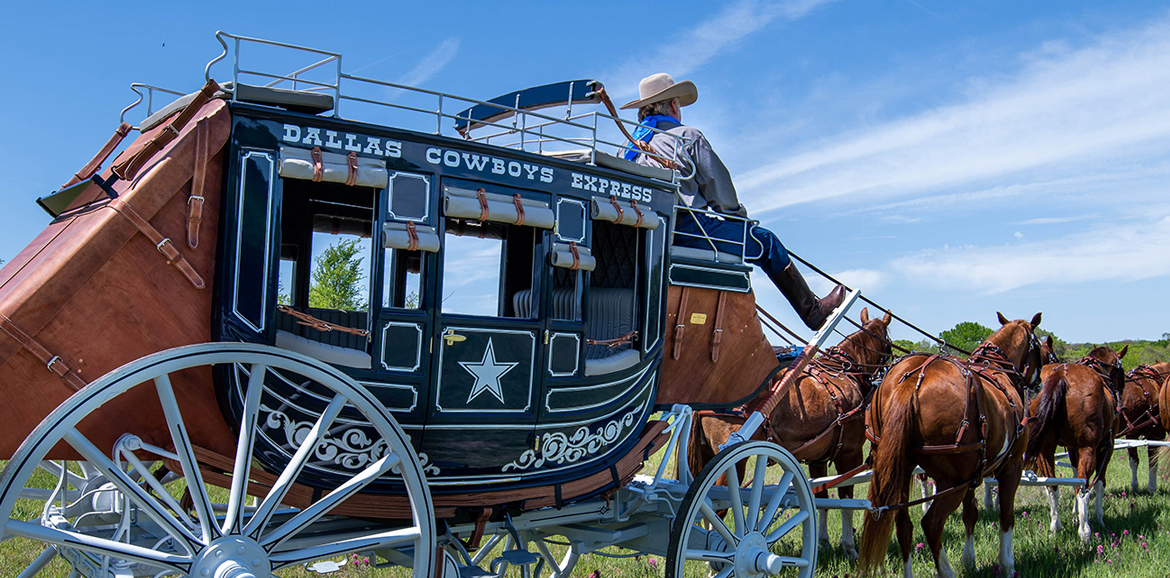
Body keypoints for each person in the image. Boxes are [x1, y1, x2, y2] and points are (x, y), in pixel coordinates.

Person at [621, 73, 844, 330]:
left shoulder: (629, 147)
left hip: (643, 235)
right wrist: (740, 219)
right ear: (673, 105)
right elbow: (720, 190)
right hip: (686, 230)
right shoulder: (687, 136)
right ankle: (812, 312)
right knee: (766, 242)